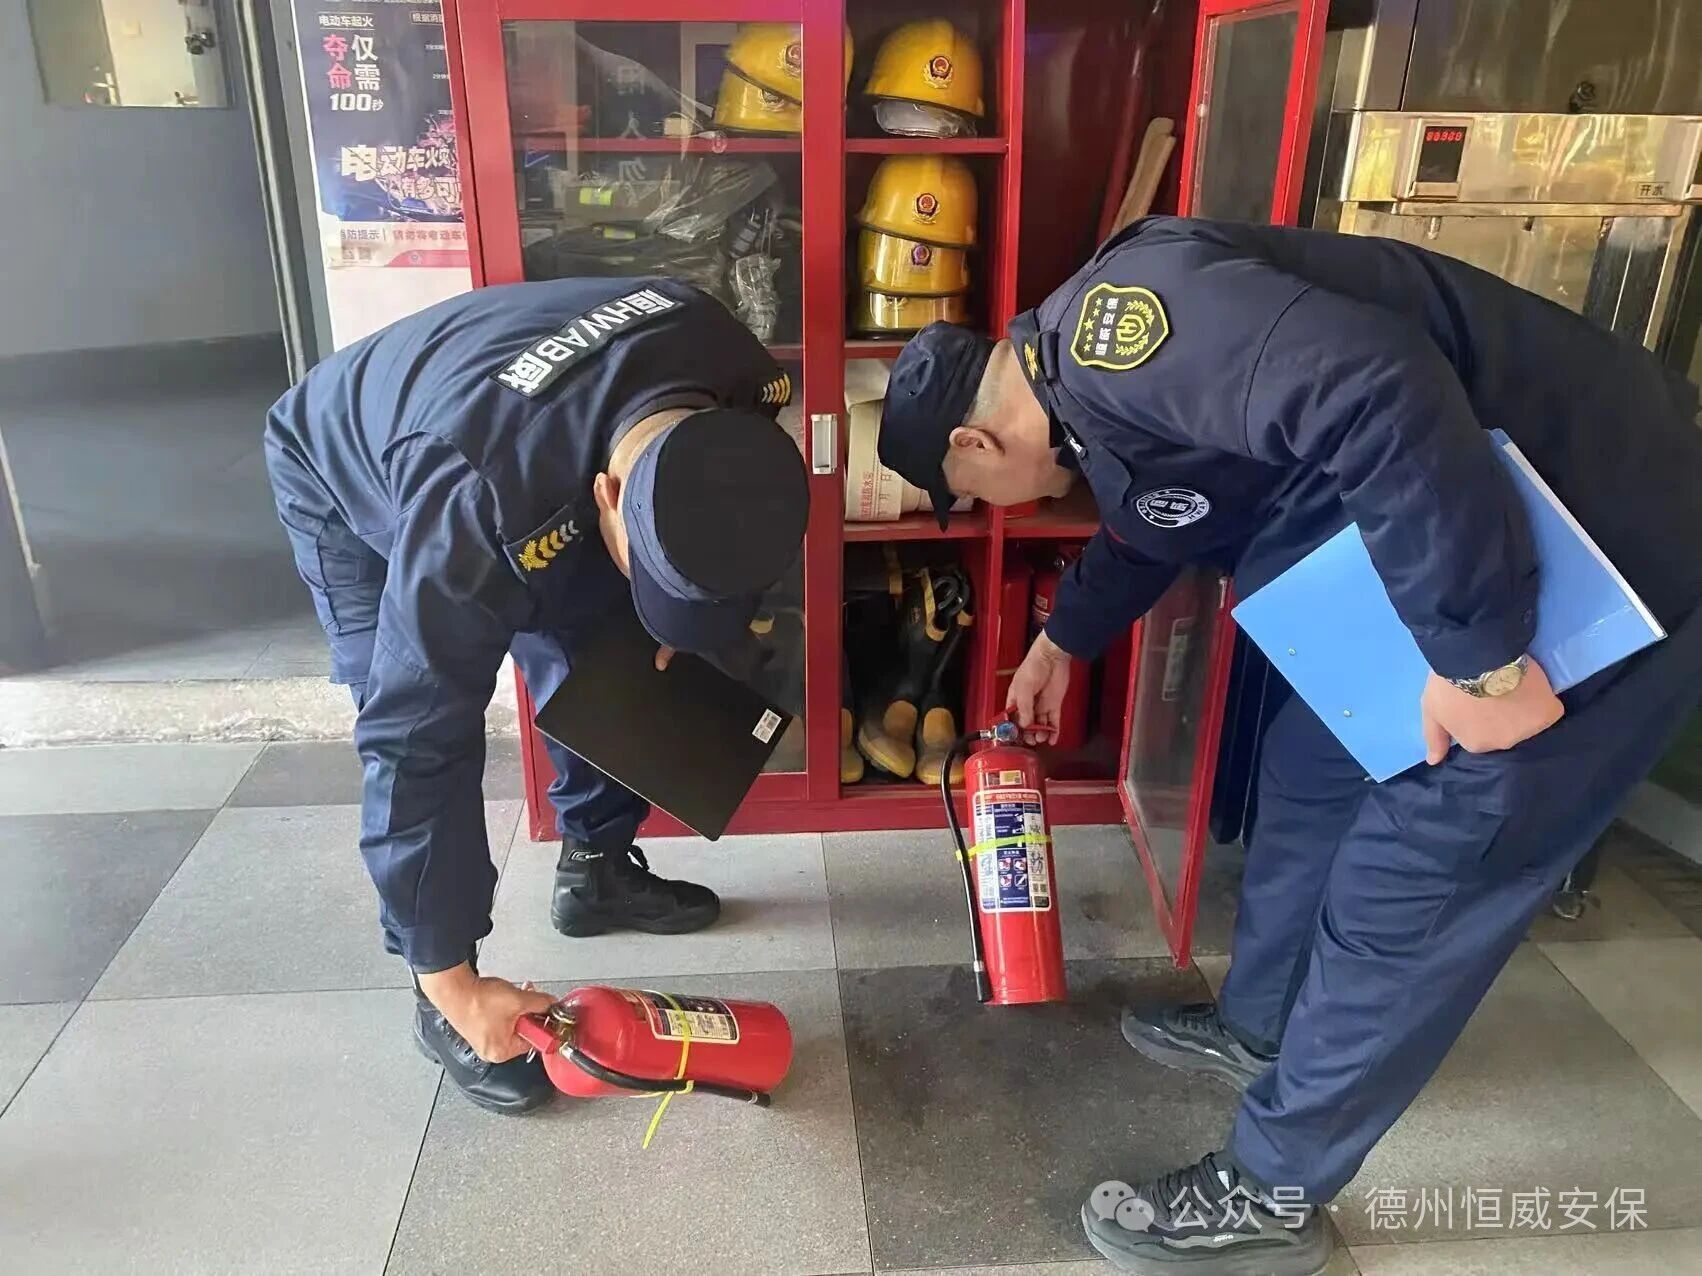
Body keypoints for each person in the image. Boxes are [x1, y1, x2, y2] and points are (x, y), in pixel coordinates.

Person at [877, 215, 1702, 1275]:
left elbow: (1376, 390)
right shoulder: (1089, 395)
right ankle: (1260, 1028)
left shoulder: (1116, 337)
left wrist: (1479, 659)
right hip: (1470, 533)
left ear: (974, 447)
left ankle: (1271, 1190)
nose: (988, 511)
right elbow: (1156, 516)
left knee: (1415, 875)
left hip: (1595, 544)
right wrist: (1062, 641)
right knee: (1308, 768)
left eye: (968, 501)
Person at [265, 278, 809, 1116]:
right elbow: (416, 739)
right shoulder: (475, 501)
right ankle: (439, 997)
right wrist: (451, 977)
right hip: (345, 463)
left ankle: (596, 870)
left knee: (608, 647)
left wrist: (677, 615)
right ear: (608, 496)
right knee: (403, 698)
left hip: (540, 436)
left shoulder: (737, 366)